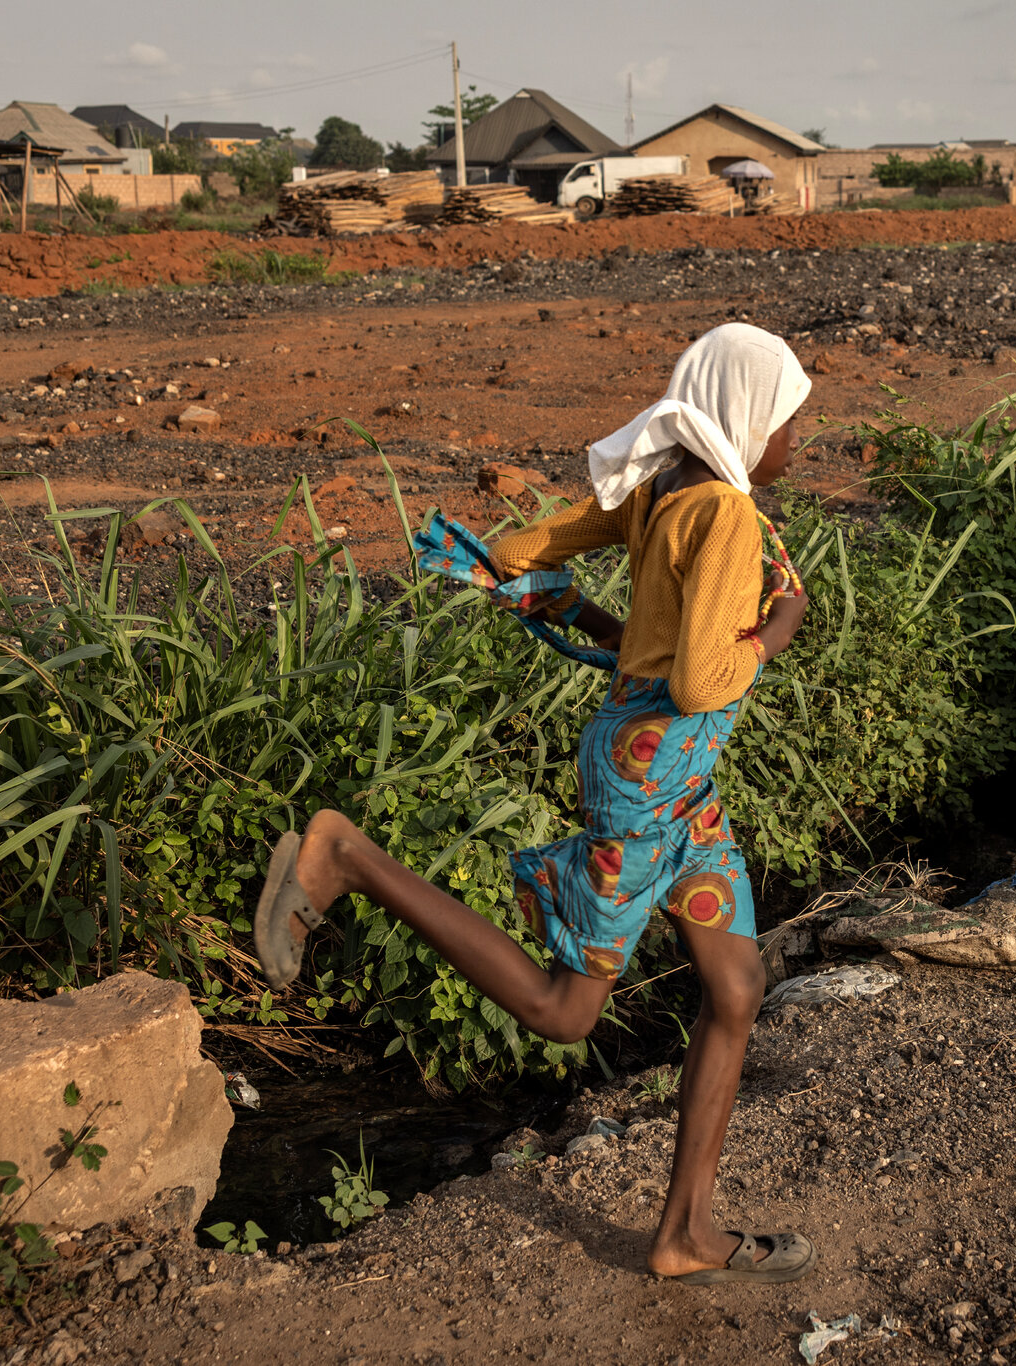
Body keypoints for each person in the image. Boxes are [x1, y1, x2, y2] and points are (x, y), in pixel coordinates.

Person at [255, 323, 817, 1284]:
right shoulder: (721, 511)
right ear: (746, 418)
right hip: (652, 780)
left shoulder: (661, 487)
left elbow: (521, 546)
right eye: (787, 423)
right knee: (565, 1014)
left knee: (735, 987)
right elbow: (699, 681)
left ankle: (682, 1234)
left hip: (679, 789)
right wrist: (777, 633)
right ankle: (346, 859)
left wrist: (599, 611)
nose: (796, 443)